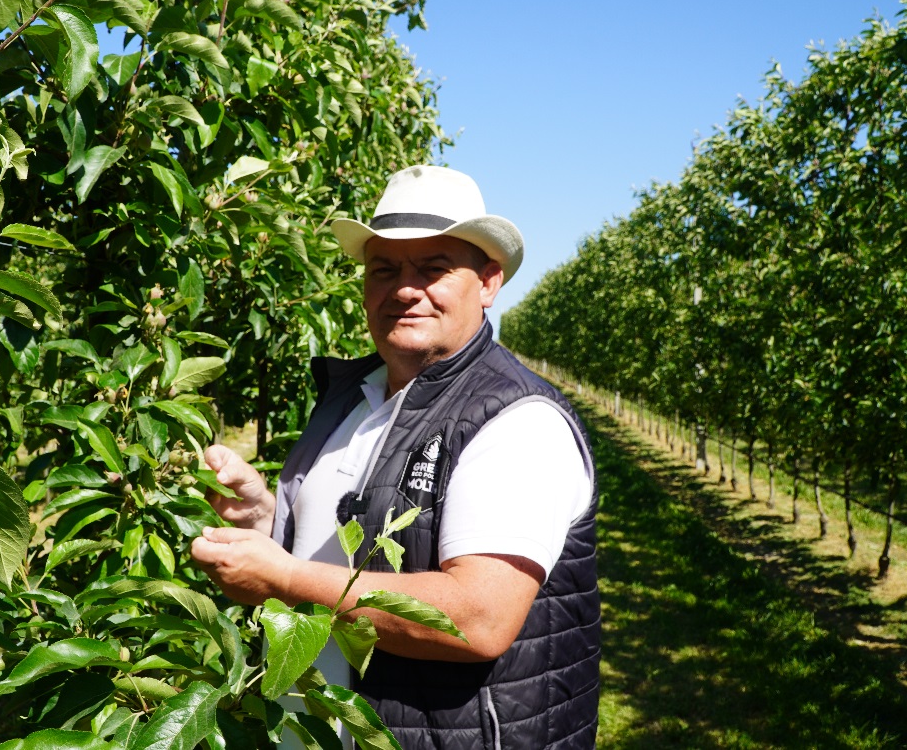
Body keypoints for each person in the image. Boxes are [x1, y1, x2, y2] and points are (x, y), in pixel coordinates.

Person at [191, 165, 600, 749]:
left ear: (488, 282)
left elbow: (478, 617)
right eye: (384, 269)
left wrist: (283, 579)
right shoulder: (350, 398)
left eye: (433, 268)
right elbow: (335, 551)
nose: (405, 289)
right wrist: (261, 519)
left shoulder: (517, 423)